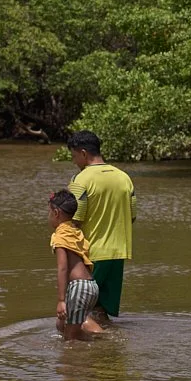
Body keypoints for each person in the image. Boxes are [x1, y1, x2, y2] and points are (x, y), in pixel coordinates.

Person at [65, 130, 135, 319]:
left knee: (78, 312)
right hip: (119, 253)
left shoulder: (80, 180)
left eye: (74, 156)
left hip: (92, 254)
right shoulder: (124, 178)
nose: (74, 161)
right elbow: (132, 216)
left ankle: (96, 341)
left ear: (83, 153)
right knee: (101, 311)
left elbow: (74, 220)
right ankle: (107, 345)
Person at [47, 189, 102, 340]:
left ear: (56, 213)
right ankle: (104, 338)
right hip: (90, 285)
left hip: (79, 287)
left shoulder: (60, 236)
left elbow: (63, 268)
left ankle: (103, 346)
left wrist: (61, 300)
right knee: (63, 324)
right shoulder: (75, 231)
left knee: (71, 338)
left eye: (49, 213)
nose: (49, 217)